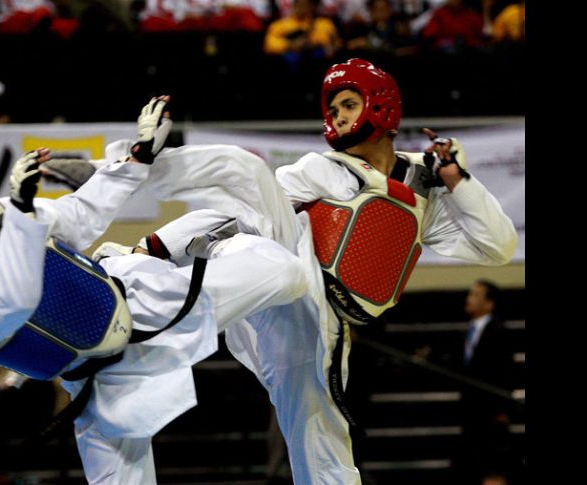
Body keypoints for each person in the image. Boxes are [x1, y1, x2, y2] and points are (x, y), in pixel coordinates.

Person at [89, 57, 517, 484]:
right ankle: (130, 187)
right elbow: (235, 214)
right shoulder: (320, 169)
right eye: (333, 110)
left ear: (380, 103)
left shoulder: (425, 189)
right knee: (248, 179)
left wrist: (460, 180)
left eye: (347, 104)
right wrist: (153, 248)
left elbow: (497, 246)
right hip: (278, 269)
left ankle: (134, 307)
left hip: (317, 323)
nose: (338, 117)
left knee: (323, 442)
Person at [0, 96, 309, 484]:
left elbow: (80, 213)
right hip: (95, 386)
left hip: (144, 306)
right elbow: (12, 304)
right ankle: (180, 244)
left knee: (287, 271)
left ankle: (200, 241)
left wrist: (138, 157)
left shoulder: (5, 216)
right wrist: (19, 215)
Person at [456, 279, 515, 485]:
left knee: (493, 468)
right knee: (471, 466)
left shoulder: (499, 331)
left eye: (474, 295)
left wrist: (503, 410)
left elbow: (506, 372)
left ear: (489, 303)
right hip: (470, 412)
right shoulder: (467, 330)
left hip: (491, 412)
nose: (468, 299)